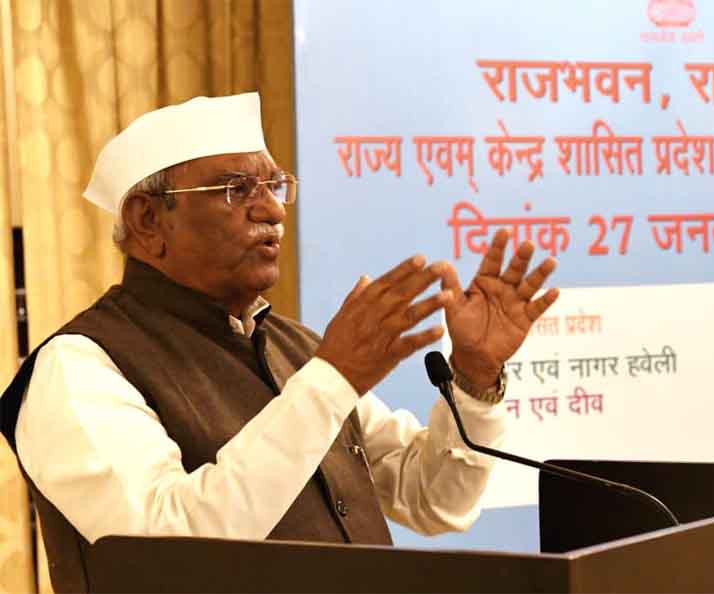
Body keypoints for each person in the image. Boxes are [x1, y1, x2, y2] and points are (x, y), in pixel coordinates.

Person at [0, 93, 559, 590]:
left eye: (275, 186)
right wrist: (332, 380)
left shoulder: (297, 348)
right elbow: (165, 551)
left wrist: (475, 379)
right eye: (236, 189)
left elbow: (434, 498)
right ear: (148, 220)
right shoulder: (78, 366)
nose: (272, 211)